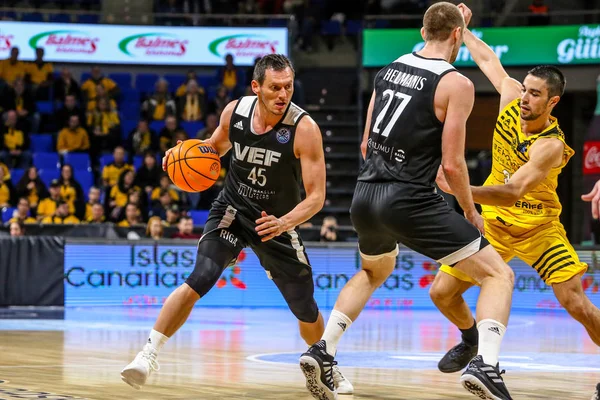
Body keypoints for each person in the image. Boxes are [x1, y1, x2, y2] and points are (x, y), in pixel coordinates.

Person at [299, 3, 514, 400]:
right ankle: (486, 365)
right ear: (457, 35)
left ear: (421, 31)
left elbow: (365, 144)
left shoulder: (389, 70)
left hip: (365, 195)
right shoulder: (456, 84)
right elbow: (452, 164)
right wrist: (470, 211)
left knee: (372, 273)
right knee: (498, 275)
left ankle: (323, 350)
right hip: (409, 199)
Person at [121, 54, 353, 395]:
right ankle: (147, 355)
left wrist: (284, 222)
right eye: (275, 87)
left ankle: (325, 363)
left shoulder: (304, 129)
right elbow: (212, 149)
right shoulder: (235, 113)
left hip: (274, 222)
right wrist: (180, 155)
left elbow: (316, 197)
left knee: (305, 306)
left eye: (288, 87)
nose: (282, 95)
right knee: (200, 277)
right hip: (232, 209)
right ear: (256, 87)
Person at [430, 2, 600, 385]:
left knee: (576, 304)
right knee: (441, 293)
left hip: (539, 228)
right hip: (495, 224)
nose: (525, 98)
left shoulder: (551, 145)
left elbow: (511, 191)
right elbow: (488, 59)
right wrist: (462, 30)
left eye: (535, 94)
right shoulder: (510, 99)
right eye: (525, 90)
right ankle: (472, 339)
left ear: (552, 102)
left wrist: (461, 188)